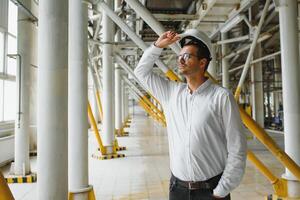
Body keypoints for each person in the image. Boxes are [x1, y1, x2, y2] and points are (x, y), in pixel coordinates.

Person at [134, 29, 247, 200]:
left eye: (187, 56)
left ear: (202, 63)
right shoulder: (171, 93)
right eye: (180, 55)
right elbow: (141, 72)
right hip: (177, 189)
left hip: (211, 190)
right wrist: (158, 46)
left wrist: (221, 191)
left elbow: (237, 148)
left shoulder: (221, 97)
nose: (180, 59)